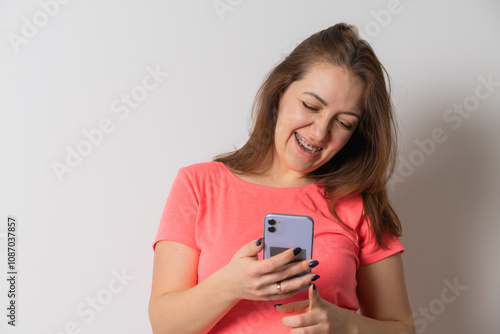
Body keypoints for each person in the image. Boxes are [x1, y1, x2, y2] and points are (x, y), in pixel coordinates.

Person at [149, 23, 415, 334]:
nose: (319, 133)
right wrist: (230, 285)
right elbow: (164, 326)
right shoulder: (199, 185)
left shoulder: (358, 202)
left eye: (343, 123)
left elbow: (402, 328)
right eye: (310, 106)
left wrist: (345, 325)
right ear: (279, 93)